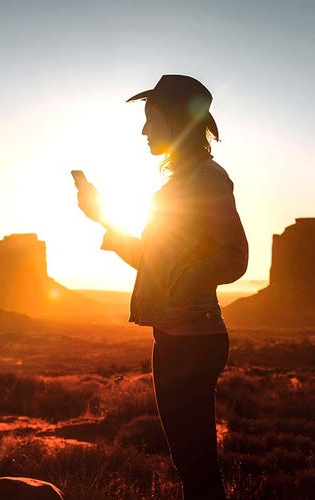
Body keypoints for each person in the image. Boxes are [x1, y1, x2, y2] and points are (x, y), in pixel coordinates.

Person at [75, 74, 248, 499]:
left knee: (198, 470)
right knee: (192, 468)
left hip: (193, 339)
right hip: (175, 336)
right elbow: (153, 263)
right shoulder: (179, 183)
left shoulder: (206, 178)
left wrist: (185, 277)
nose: (144, 130)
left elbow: (235, 257)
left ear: (179, 123)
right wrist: (102, 217)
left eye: (153, 119)